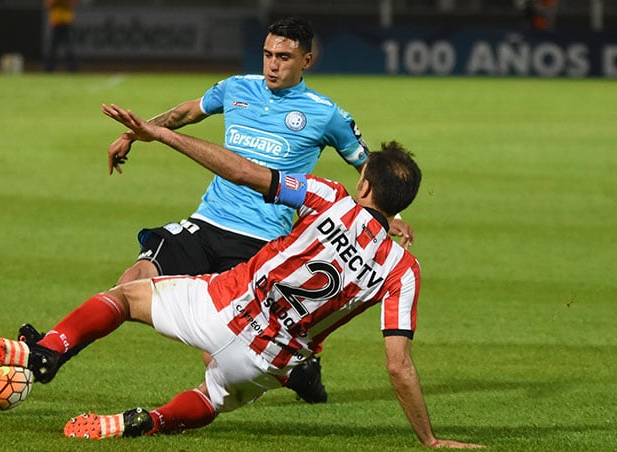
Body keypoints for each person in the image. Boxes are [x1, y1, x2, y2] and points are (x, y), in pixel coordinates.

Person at [0, 103, 484, 449]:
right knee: (214, 398)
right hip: (267, 358)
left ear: (363, 182)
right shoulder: (403, 269)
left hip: (222, 304)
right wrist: (430, 441)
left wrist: (160, 133)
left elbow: (240, 171)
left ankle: (50, 349)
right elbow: (399, 367)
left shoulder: (328, 197)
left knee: (126, 297)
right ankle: (153, 420)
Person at [106, 16, 414, 403]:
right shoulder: (236, 88)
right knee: (130, 282)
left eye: (284, 57)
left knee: (220, 349)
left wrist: (394, 217)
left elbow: (368, 164)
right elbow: (185, 114)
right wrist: (133, 133)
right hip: (209, 221)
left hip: (264, 243)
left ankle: (298, 373)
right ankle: (45, 351)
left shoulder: (326, 114)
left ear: (307, 60)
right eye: (268, 54)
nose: (272, 64)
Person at [44, 0, 78, 72]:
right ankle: (48, 70)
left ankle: (73, 70)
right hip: (55, 23)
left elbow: (73, 4)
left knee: (69, 48)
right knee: (52, 49)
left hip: (67, 22)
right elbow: (48, 5)